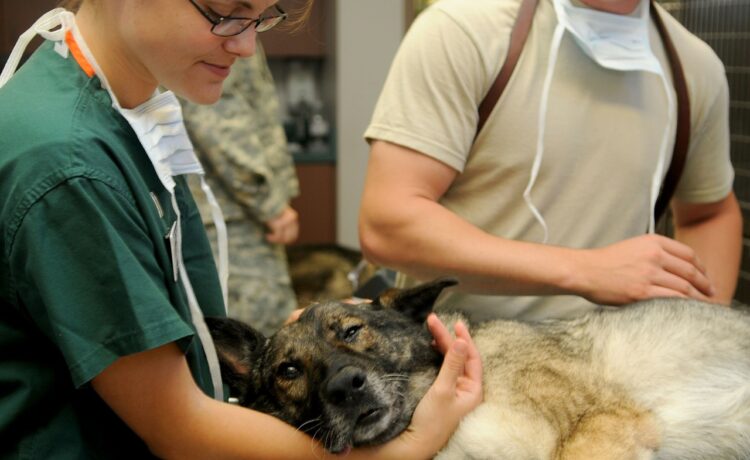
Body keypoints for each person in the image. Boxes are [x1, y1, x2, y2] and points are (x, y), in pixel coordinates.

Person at [0, 1, 482, 458]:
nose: (246, 46)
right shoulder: (69, 166)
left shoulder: (126, 113)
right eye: (226, 14)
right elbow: (179, 429)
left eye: (262, 19)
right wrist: (409, 447)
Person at [360, 0, 742, 323]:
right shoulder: (466, 30)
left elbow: (709, 213)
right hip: (458, 367)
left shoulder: (695, 68)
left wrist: (702, 330)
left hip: (616, 372)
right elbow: (388, 223)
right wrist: (586, 270)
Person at [180, 44, 300, 337]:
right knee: (259, 343)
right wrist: (269, 204)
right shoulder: (221, 24)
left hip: (227, 211)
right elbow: (218, 119)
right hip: (231, 217)